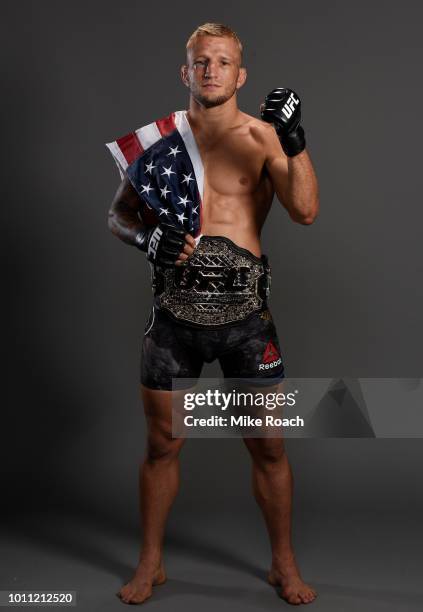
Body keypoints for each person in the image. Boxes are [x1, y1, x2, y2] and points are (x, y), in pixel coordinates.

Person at [107, 22, 319, 605]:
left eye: (223, 62)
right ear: (186, 71)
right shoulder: (160, 145)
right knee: (162, 447)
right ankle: (150, 561)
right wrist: (143, 240)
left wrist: (296, 141)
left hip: (246, 317)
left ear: (240, 74)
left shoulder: (264, 138)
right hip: (173, 317)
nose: (211, 71)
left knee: (270, 445)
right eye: (202, 62)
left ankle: (283, 563)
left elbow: (305, 211)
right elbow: (120, 217)